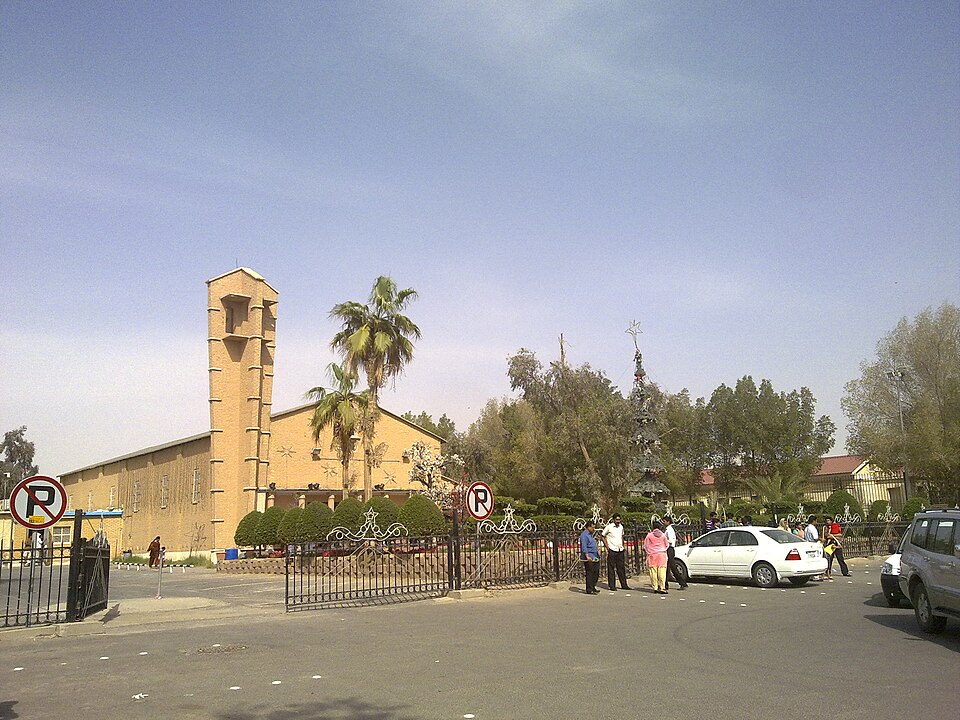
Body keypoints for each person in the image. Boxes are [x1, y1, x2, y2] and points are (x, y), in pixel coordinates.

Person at [601, 514, 631, 590]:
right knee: (611, 569)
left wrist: (622, 545)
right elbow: (602, 536)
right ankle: (612, 585)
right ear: (613, 520)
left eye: (619, 520)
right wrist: (607, 547)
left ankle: (624, 584)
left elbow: (622, 536)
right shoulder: (609, 527)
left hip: (619, 549)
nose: (618, 521)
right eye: (617, 520)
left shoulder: (621, 527)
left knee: (621, 568)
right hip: (612, 549)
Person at [662, 516, 688, 590]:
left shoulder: (669, 530)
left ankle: (682, 583)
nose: (663, 523)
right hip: (668, 549)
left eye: (664, 521)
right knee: (667, 567)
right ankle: (665, 584)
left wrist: (664, 540)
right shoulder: (667, 530)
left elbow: (671, 541)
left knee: (672, 567)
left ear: (668, 522)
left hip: (670, 549)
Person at [644, 522, 670, 594]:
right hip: (661, 555)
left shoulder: (649, 535)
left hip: (652, 555)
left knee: (653, 572)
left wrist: (649, 552)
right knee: (662, 572)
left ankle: (655, 587)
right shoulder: (663, 535)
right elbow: (667, 545)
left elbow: (646, 546)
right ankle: (662, 587)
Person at [579, 520, 601, 595]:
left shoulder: (590, 534)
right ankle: (589, 589)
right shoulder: (584, 535)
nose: (593, 529)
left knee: (596, 572)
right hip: (589, 556)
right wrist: (587, 555)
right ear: (588, 527)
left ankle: (593, 586)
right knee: (590, 572)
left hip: (595, 555)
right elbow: (584, 546)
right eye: (592, 527)